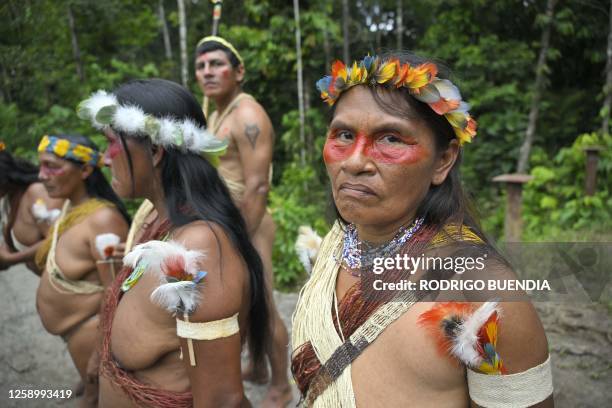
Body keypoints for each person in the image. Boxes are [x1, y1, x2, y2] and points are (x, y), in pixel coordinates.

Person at [291, 53, 553, 407]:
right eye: (343, 134)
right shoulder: (335, 245)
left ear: (443, 160)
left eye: (391, 139)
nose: (354, 161)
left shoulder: (486, 296)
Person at [76, 78, 270, 407]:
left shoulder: (200, 248)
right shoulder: (158, 220)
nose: (106, 159)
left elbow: (223, 400)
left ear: (154, 151)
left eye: (112, 143)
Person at [195, 36, 292, 406]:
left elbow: (257, 184)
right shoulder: (218, 110)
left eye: (217, 64)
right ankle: (258, 367)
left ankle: (281, 387)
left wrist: (238, 237)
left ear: (239, 72)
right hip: (228, 222)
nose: (208, 72)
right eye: (201, 66)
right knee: (244, 302)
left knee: (263, 304)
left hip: (248, 224)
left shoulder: (247, 115)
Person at [34, 133, 130, 407]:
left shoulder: (103, 220)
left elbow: (116, 292)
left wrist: (98, 353)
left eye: (52, 166)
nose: (42, 175)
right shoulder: (70, 206)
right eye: (41, 165)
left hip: (89, 334)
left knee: (94, 402)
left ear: (86, 170)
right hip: (76, 335)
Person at [0, 142, 63, 272]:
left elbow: (60, 240)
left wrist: (13, 258)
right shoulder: (9, 200)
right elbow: (8, 250)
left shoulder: (37, 192)